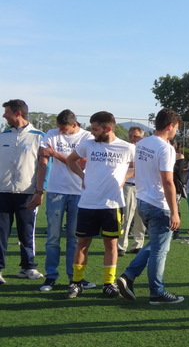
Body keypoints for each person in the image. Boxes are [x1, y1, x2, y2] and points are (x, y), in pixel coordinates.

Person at [64, 111, 135, 299]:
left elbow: (139, 167)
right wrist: (82, 176)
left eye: (95, 129)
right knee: (82, 243)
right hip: (88, 203)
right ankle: (76, 283)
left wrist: (125, 177)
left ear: (108, 128)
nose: (92, 132)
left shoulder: (127, 147)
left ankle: (109, 284)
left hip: (113, 204)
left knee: (111, 245)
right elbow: (70, 160)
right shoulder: (88, 145)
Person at [117, 108, 185, 305]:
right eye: (176, 128)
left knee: (155, 244)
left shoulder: (142, 143)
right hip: (158, 204)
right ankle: (157, 292)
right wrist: (175, 212)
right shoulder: (166, 148)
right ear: (170, 126)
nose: (176, 132)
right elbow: (168, 182)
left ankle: (128, 276)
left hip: (143, 200)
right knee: (159, 250)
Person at [37, 109, 96, 291]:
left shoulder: (87, 137)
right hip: (56, 190)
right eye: (59, 128)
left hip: (79, 192)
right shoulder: (51, 133)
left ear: (75, 125)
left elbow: (81, 164)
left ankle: (75, 278)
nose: (60, 131)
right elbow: (43, 157)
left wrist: (56, 154)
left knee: (75, 238)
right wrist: (40, 188)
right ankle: (50, 277)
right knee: (53, 237)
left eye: (64, 129)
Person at [0, 99, 46, 284]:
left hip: (27, 193)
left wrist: (39, 191)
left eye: (7, 112)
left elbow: (44, 166)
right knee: (0, 232)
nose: (4, 115)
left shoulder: (39, 137)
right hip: (2, 192)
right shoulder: (3, 136)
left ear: (18, 113)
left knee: (27, 232)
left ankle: (28, 267)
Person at [117, 126, 146, 256]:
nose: (133, 139)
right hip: (128, 186)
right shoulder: (125, 148)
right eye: (131, 136)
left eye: (136, 136)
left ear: (142, 137)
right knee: (126, 216)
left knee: (140, 218)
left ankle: (138, 244)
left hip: (141, 186)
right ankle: (121, 246)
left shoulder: (145, 150)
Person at [171, 141, 187, 240]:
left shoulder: (179, 156)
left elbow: (178, 171)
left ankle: (176, 230)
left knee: (176, 207)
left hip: (176, 186)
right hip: (163, 185)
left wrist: (169, 161)